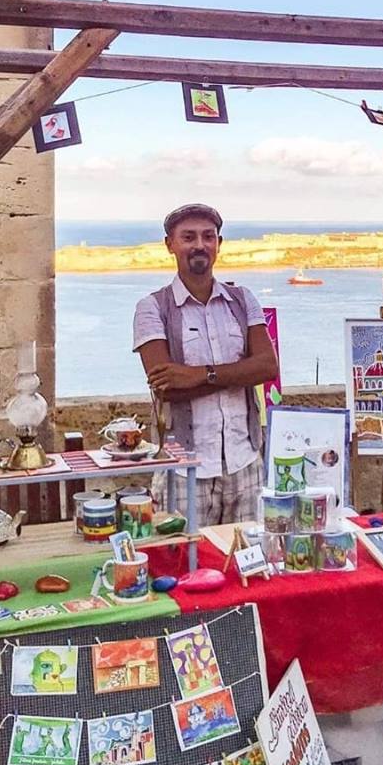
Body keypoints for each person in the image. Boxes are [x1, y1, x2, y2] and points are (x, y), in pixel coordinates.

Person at [132, 203, 279, 525]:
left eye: (208, 236)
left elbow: (268, 367)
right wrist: (239, 373)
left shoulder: (243, 300)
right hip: (183, 469)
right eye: (188, 237)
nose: (199, 245)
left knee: (247, 553)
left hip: (245, 463)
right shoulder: (152, 308)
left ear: (218, 244)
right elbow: (167, 388)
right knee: (184, 554)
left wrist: (199, 375)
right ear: (170, 244)